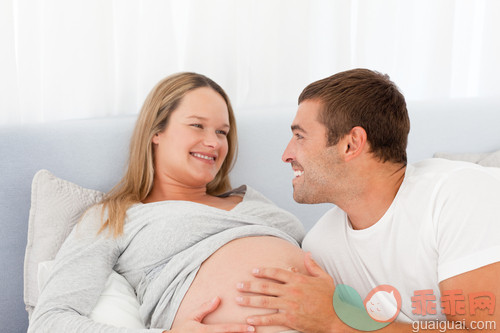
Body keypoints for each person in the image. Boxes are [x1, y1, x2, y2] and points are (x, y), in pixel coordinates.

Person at [28, 72, 308, 333]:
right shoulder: (113, 217)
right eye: (197, 125)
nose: (214, 143)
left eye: (222, 132)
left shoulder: (256, 203)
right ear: (156, 132)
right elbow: (49, 321)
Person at [235, 68, 500, 332]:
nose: (286, 154)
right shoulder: (322, 247)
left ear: (351, 144)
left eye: (300, 136)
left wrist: (336, 324)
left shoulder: (459, 196)